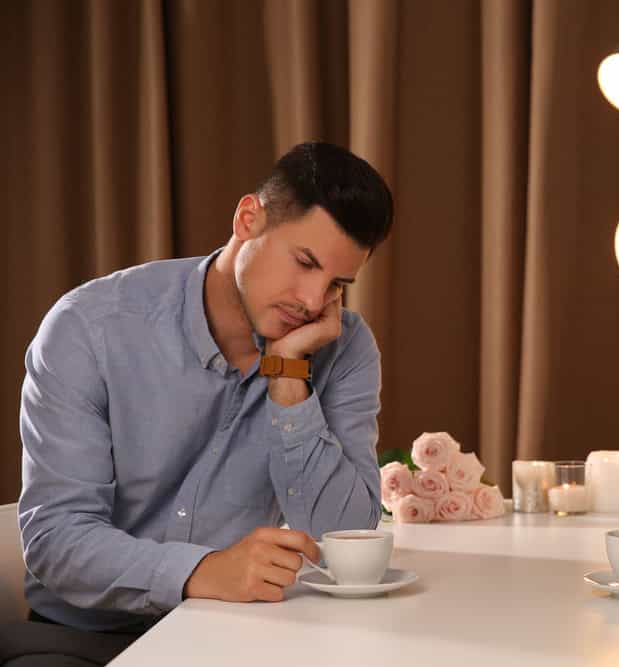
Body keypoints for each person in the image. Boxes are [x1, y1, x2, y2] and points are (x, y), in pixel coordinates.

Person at [3, 142, 393, 665]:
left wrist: (287, 375)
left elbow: (346, 535)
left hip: (235, 635)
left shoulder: (342, 347)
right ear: (248, 219)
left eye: (336, 285)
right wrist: (201, 570)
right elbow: (57, 539)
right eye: (304, 262)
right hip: (81, 644)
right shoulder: (88, 329)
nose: (312, 301)